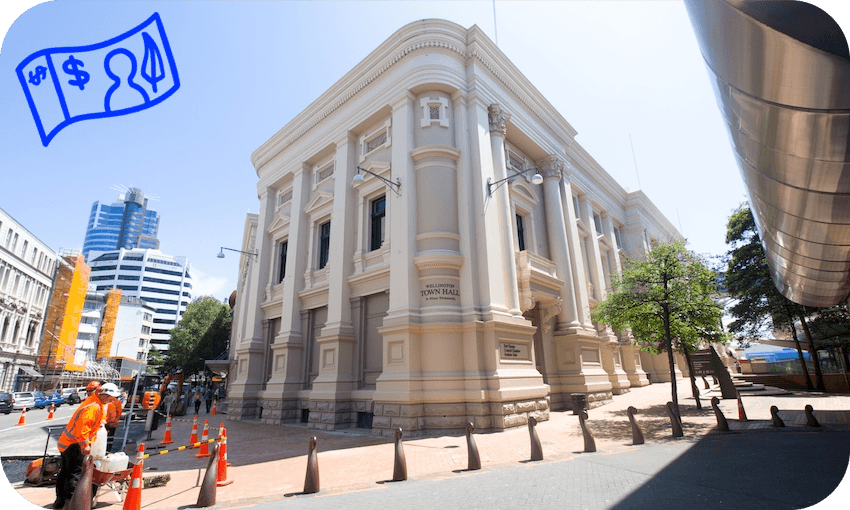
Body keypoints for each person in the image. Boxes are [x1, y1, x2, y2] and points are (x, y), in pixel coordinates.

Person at [53, 382, 121, 509]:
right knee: (75, 474)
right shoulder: (93, 407)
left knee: (65, 472)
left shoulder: (94, 402)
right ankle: (72, 503)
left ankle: (60, 501)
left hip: (68, 443)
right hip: (75, 444)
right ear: (105, 395)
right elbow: (82, 428)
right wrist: (84, 446)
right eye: (111, 398)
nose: (112, 401)